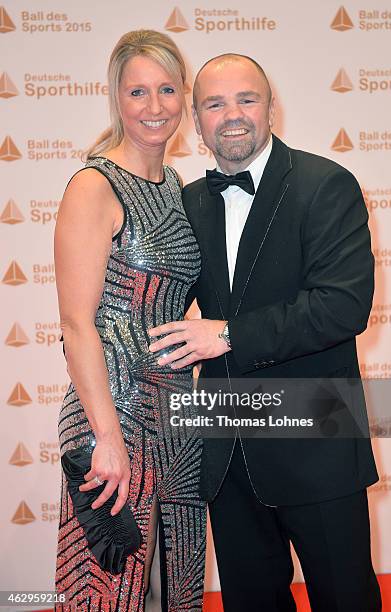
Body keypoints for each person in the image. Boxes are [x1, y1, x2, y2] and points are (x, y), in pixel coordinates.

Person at [149, 54, 382, 611]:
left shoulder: (326, 184)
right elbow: (159, 303)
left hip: (318, 439)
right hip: (227, 452)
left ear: (271, 106)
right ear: (197, 120)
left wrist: (226, 335)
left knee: (345, 599)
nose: (232, 115)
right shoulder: (186, 203)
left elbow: (342, 307)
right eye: (214, 103)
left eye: (246, 99)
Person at [54, 30, 206, 611]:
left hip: (177, 420)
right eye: (138, 91)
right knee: (108, 593)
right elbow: (76, 324)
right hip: (110, 421)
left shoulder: (177, 187)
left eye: (168, 90)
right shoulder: (94, 186)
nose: (155, 106)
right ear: (116, 97)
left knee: (179, 589)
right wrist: (108, 438)